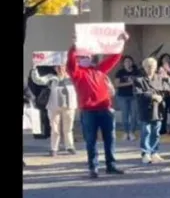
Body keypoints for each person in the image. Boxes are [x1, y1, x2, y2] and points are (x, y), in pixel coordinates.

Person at [66, 34, 127, 179]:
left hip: (105, 109)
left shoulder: (99, 70)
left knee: (110, 139)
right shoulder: (77, 73)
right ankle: (93, 168)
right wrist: (75, 46)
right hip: (88, 111)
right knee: (91, 141)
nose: (86, 58)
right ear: (79, 59)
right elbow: (70, 62)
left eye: (88, 56)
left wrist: (121, 42)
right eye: (83, 57)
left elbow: (114, 58)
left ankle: (111, 166)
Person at [133, 57, 170, 164]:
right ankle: (145, 153)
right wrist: (152, 96)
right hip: (146, 109)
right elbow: (138, 94)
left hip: (159, 109)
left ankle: (154, 152)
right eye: (148, 66)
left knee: (156, 132)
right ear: (144, 67)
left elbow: (167, 90)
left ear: (156, 67)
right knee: (146, 131)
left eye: (152, 66)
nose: (150, 68)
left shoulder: (159, 78)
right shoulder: (139, 80)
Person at [30, 63, 78, 156]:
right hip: (54, 107)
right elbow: (38, 80)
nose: (60, 69)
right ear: (55, 68)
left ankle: (69, 147)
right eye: (57, 67)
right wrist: (34, 69)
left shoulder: (72, 77)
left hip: (69, 106)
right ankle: (54, 148)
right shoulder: (51, 78)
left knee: (68, 128)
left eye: (62, 66)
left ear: (65, 67)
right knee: (55, 129)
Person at [114, 56, 141, 141]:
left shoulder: (137, 72)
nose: (128, 63)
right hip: (122, 96)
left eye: (130, 61)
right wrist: (129, 83)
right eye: (126, 61)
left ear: (132, 62)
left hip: (134, 95)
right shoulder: (120, 72)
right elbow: (117, 85)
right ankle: (126, 132)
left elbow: (141, 82)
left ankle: (132, 132)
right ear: (123, 63)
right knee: (125, 114)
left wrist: (136, 83)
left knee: (134, 115)